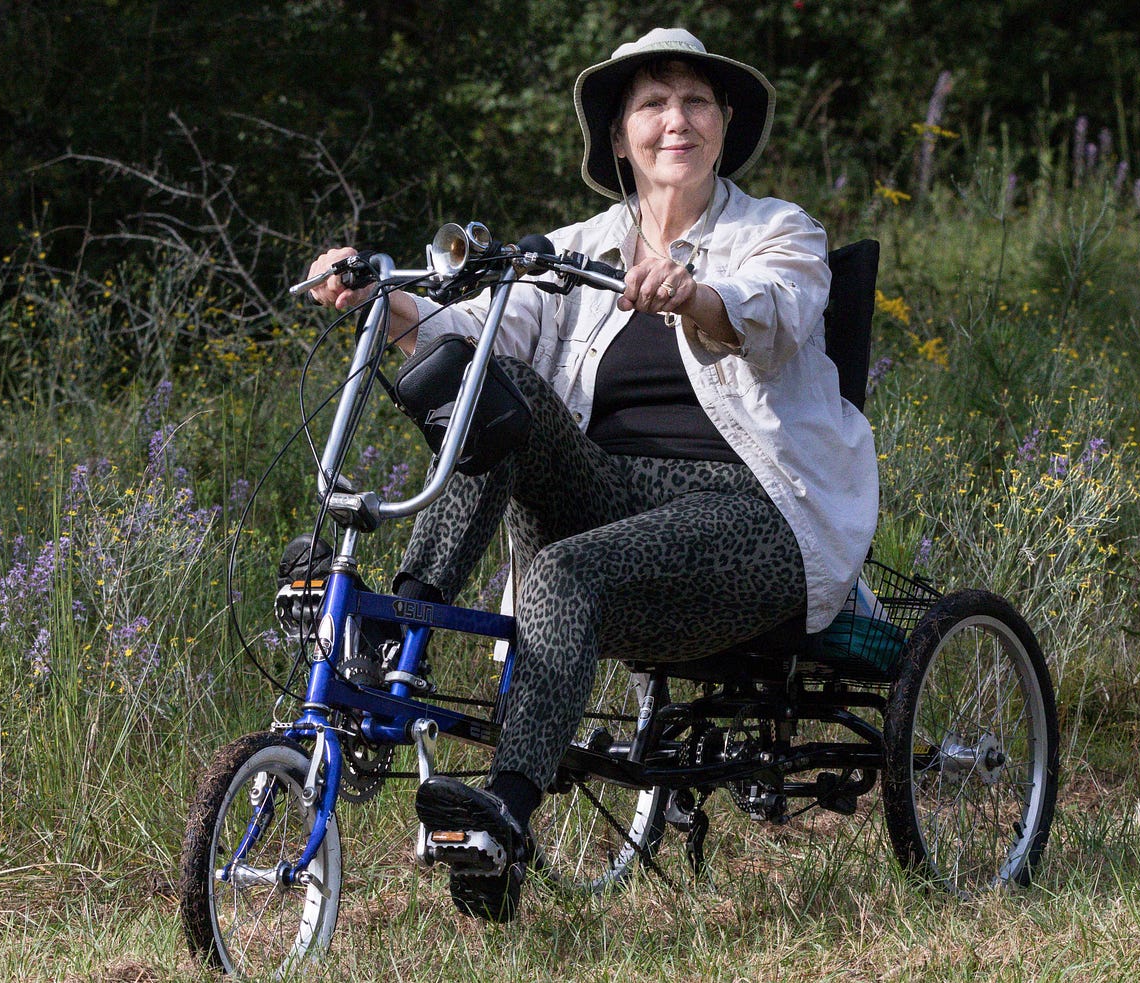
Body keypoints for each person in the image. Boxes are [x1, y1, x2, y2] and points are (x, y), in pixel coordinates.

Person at [305, 27, 878, 921]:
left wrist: (694, 294)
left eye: (695, 102)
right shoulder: (577, 247)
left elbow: (776, 312)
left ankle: (503, 819)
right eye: (652, 104)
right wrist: (383, 298)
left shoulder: (778, 231)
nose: (675, 121)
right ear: (619, 137)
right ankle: (395, 638)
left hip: (757, 515)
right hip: (618, 499)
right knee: (495, 392)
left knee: (563, 571)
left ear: (725, 122)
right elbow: (468, 332)